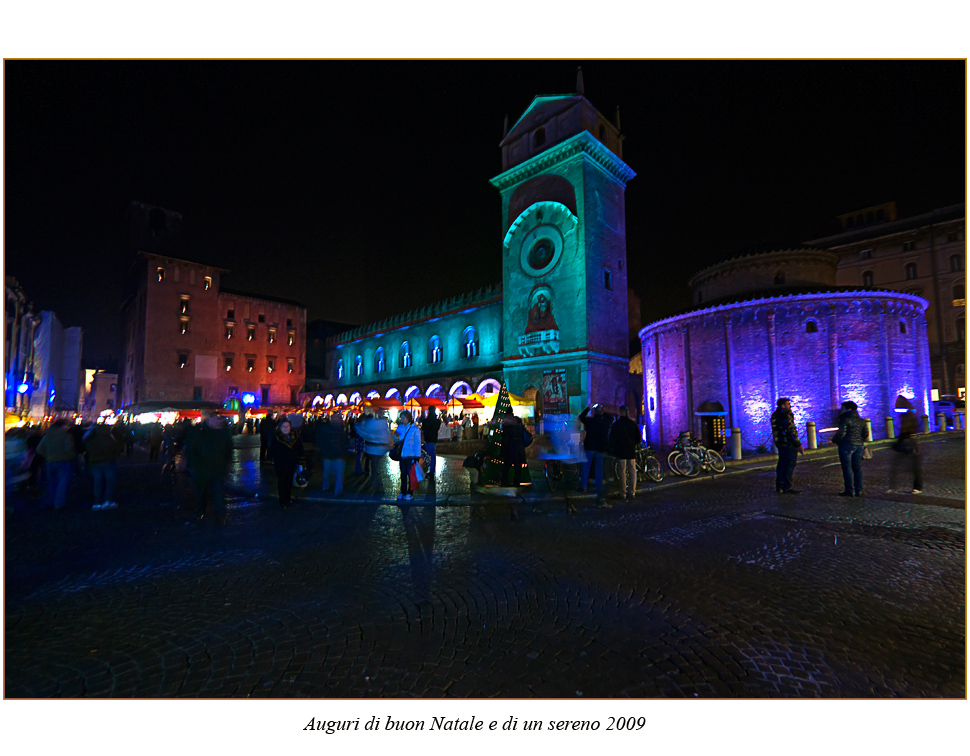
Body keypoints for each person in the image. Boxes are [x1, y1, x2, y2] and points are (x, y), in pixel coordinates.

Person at [184, 411, 234, 523]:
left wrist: (225, 463)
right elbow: (191, 452)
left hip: (218, 470)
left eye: (218, 419)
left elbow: (228, 450)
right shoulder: (199, 434)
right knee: (201, 493)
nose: (217, 422)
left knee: (218, 493)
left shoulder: (224, 434)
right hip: (202, 471)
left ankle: (220, 515)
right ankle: (200, 512)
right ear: (208, 421)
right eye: (214, 419)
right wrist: (197, 466)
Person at [36, 419, 77, 510]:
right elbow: (69, 449)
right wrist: (72, 456)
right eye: (67, 425)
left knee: (51, 483)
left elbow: (39, 449)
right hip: (64, 461)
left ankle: (49, 501)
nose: (69, 427)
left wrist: (48, 456)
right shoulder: (66, 436)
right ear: (63, 426)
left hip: (50, 461)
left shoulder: (48, 435)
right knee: (62, 483)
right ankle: (59, 503)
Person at [82, 420, 124, 510]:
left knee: (97, 482)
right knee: (109, 482)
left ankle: (97, 502)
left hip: (95, 462)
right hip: (108, 461)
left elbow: (86, 448)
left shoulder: (91, 439)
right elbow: (117, 449)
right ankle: (107, 501)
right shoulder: (110, 439)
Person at [832, 400, 870, 497]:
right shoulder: (861, 421)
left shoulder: (844, 419)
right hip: (858, 446)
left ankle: (849, 490)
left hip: (846, 446)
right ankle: (859, 490)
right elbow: (866, 434)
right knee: (857, 468)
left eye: (842, 408)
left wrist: (834, 440)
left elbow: (841, 433)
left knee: (847, 468)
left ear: (848, 409)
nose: (841, 410)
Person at [579, 403, 613, 506]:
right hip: (600, 448)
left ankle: (584, 487)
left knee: (586, 467)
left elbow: (581, 417)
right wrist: (603, 410)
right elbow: (611, 418)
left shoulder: (590, 421)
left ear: (594, 412)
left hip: (589, 447)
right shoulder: (605, 421)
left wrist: (589, 407)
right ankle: (599, 489)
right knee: (599, 470)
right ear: (601, 412)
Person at [770, 397, 804, 494]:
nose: (790, 406)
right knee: (789, 465)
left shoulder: (775, 415)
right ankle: (787, 486)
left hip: (781, 443)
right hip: (788, 443)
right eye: (788, 404)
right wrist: (797, 445)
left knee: (781, 464)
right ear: (783, 405)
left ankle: (780, 485)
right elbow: (791, 431)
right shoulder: (785, 416)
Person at [269, 418, 305, 509]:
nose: (285, 428)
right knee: (282, 482)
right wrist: (271, 459)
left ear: (290, 427)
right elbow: (271, 451)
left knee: (289, 482)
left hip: (291, 463)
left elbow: (300, 450)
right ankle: (283, 500)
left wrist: (301, 461)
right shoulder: (276, 438)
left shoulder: (295, 437)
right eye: (283, 426)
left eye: (287, 426)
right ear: (280, 428)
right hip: (280, 464)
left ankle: (288, 499)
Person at [609, 405, 640, 502]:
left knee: (622, 472)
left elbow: (612, 438)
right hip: (631, 450)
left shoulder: (617, 424)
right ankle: (632, 491)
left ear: (620, 412)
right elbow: (638, 437)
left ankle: (623, 492)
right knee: (632, 471)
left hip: (620, 450)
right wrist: (633, 444)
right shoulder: (632, 423)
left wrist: (613, 448)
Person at [890, 410, 923, 494]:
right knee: (914, 468)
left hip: (908, 447)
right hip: (910, 448)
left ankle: (894, 486)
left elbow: (904, 436)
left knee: (912, 468)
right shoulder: (913, 426)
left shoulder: (907, 428)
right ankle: (917, 487)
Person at [356, 412, 393, 490]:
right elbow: (388, 437)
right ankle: (377, 483)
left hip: (372, 449)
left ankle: (377, 483)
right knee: (377, 467)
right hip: (381, 450)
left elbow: (364, 433)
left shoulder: (369, 424)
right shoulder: (383, 425)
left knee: (375, 467)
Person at [393, 410, 422, 501]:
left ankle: (410, 492)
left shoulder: (415, 429)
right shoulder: (400, 427)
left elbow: (417, 443)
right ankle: (403, 491)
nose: (402, 420)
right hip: (402, 455)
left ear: (408, 418)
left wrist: (417, 456)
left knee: (411, 475)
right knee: (403, 474)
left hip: (411, 455)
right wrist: (396, 437)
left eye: (403, 418)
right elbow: (396, 440)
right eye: (401, 418)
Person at [315, 415, 346, 497]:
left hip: (334, 454)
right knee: (329, 473)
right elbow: (320, 440)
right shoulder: (340, 428)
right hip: (330, 454)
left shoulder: (340, 428)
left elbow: (344, 441)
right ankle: (329, 488)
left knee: (335, 474)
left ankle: (333, 489)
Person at [500, 414, 529, 487]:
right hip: (518, 449)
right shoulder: (519, 426)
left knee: (506, 467)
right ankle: (516, 484)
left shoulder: (507, 428)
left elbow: (505, 441)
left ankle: (504, 483)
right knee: (517, 468)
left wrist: (502, 452)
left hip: (509, 450)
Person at [421, 406, 442, 478]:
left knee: (428, 456)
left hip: (427, 439)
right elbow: (437, 428)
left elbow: (423, 428)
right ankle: (431, 470)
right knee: (432, 456)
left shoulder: (426, 420)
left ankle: (429, 470)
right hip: (433, 440)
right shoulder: (436, 421)